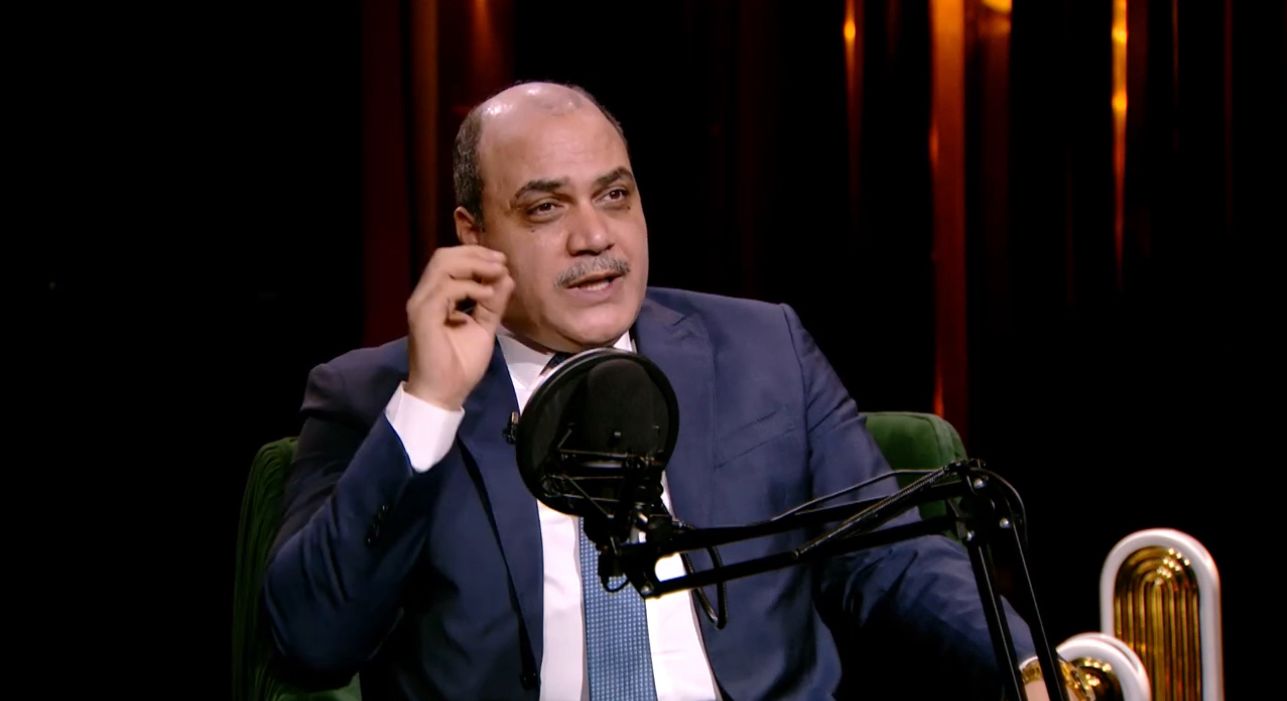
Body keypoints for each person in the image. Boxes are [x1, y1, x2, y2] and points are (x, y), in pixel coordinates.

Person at [263, 81, 1068, 700]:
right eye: (546, 207)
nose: (594, 236)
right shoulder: (371, 394)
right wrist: (430, 405)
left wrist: (1032, 666)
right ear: (474, 235)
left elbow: (889, 558)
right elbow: (310, 640)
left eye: (614, 195)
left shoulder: (764, 350)